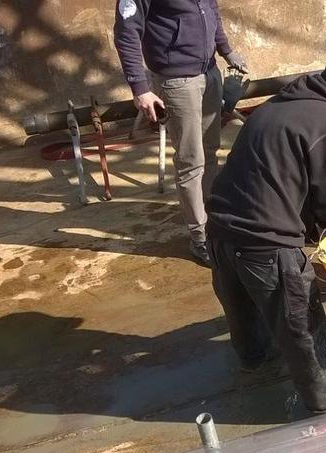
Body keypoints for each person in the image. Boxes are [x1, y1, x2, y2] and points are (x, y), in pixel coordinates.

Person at [206, 52, 326, 414]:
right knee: (302, 328)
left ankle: (254, 360)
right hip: (266, 242)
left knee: (242, 307)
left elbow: (286, 175)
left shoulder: (277, 105)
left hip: (221, 230)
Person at [113, 0, 248, 266]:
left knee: (210, 150)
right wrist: (140, 88)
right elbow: (126, 33)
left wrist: (226, 51)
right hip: (177, 81)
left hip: (209, 73)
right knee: (191, 161)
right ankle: (200, 237)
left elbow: (211, 11)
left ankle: (212, 214)